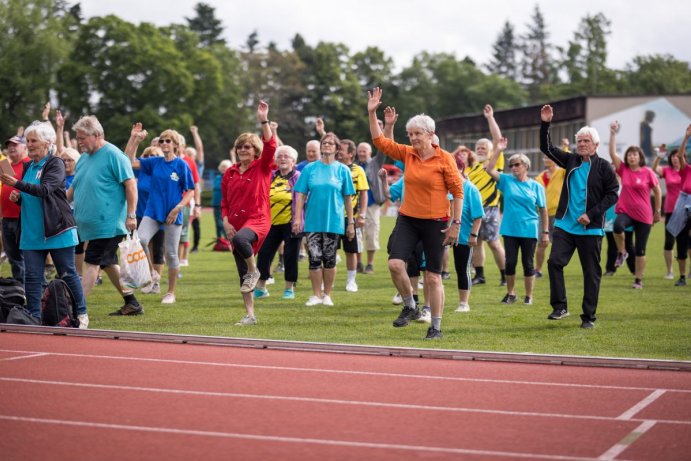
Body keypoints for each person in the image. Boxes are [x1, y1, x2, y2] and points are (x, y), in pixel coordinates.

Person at [367, 88, 463, 340]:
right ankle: (410, 305)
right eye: (410, 134)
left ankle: (436, 327)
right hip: (408, 218)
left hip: (436, 223)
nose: (413, 138)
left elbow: (458, 191)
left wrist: (456, 224)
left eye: (417, 134)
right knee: (395, 264)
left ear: (431, 135)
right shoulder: (408, 154)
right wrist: (372, 112)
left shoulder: (445, 159)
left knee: (432, 276)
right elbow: (380, 142)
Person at [0, 121, 88, 327]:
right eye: (28, 141)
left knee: (67, 273)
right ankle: (34, 317)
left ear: (47, 143)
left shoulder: (55, 163)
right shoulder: (28, 165)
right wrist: (18, 197)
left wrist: (17, 184)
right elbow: (32, 197)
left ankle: (82, 313)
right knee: (31, 277)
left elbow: (46, 190)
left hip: (57, 229)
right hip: (31, 231)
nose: (29, 145)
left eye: (34, 141)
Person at [540, 105, 619, 329]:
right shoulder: (571, 160)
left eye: (586, 141)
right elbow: (545, 147)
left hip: (590, 229)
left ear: (595, 145)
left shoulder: (603, 167)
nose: (582, 144)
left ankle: (588, 317)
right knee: (555, 262)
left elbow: (612, 193)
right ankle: (560, 306)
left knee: (591, 273)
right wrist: (546, 123)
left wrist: (591, 214)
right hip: (565, 225)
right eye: (580, 141)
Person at [67, 115, 142, 316]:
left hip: (109, 223)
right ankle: (132, 302)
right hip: (89, 224)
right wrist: (59, 203)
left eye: (83, 137)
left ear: (97, 135)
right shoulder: (83, 158)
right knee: (108, 262)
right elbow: (74, 187)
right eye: (78, 137)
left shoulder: (114, 155)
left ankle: (76, 308)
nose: (79, 141)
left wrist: (131, 215)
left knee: (92, 262)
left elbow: (131, 185)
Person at [125, 124, 196, 304]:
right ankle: (152, 274)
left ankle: (171, 292)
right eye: (162, 140)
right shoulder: (154, 162)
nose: (164, 143)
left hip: (173, 213)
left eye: (168, 141)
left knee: (171, 254)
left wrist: (178, 207)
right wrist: (134, 139)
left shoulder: (181, 165)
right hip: (153, 211)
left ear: (175, 145)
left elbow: (190, 191)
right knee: (140, 240)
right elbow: (129, 160)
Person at [221, 101, 277, 326]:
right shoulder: (230, 173)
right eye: (240, 147)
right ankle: (250, 315)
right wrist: (225, 221)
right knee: (242, 274)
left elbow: (271, 145)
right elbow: (224, 201)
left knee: (242, 242)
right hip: (235, 222)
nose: (243, 150)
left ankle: (256, 271)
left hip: (258, 220)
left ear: (255, 151)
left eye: (247, 147)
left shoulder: (262, 167)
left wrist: (263, 120)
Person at [292, 132, 355, 306]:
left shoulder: (343, 170)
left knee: (330, 259)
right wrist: (297, 218)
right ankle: (316, 295)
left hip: (333, 221)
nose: (326, 146)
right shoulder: (309, 169)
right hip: (312, 221)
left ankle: (327, 294)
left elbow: (348, 198)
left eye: (330, 144)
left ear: (336, 149)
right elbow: (301, 194)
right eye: (324, 143)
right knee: (314, 258)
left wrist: (350, 223)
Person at [486, 138, 549, 305]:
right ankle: (511, 293)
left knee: (528, 264)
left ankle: (529, 296)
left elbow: (543, 210)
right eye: (511, 165)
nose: (513, 168)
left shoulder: (536, 187)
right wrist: (498, 149)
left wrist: (545, 232)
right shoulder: (506, 181)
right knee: (510, 262)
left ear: (525, 166)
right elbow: (490, 169)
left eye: (517, 164)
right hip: (509, 230)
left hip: (529, 229)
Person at [609, 121, 662, 289]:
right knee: (617, 226)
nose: (631, 156)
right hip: (627, 212)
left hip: (645, 215)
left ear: (640, 157)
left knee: (640, 250)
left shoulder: (648, 172)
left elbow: (658, 191)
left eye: (634, 154)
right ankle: (622, 251)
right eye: (629, 154)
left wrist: (657, 211)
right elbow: (612, 153)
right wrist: (613, 133)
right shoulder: (623, 169)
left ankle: (638, 280)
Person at [254, 145, 302, 300]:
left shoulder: (298, 177)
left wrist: (298, 219)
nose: (282, 158)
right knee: (264, 254)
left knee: (290, 255)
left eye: (286, 156)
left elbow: (302, 198)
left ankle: (289, 288)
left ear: (293, 161)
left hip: (292, 222)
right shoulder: (271, 176)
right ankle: (261, 287)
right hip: (271, 223)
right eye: (279, 156)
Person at [468, 105, 506, 287]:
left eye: (484, 147)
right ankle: (480, 276)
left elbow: (498, 139)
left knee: (494, 243)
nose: (481, 149)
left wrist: (490, 118)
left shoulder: (495, 160)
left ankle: (505, 275)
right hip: (474, 210)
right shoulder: (471, 167)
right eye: (478, 147)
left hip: (490, 209)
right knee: (476, 243)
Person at [451, 156, 484, 312]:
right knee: (434, 269)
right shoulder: (445, 186)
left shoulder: (470, 188)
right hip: (443, 233)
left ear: (460, 169)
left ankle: (464, 303)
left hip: (463, 235)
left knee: (462, 268)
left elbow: (478, 215)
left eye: (452, 168)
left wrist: (474, 235)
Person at [337, 139, 369, 292]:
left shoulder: (358, 171)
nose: (338, 151)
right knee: (329, 249)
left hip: (351, 218)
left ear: (350, 153)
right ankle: (326, 279)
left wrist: (362, 214)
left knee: (351, 250)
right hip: (333, 217)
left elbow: (363, 194)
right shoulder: (332, 168)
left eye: (341, 149)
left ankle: (351, 281)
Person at [651, 145, 686, 282]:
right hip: (671, 210)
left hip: (686, 210)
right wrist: (660, 156)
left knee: (687, 242)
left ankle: (687, 272)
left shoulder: (687, 171)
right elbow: (654, 169)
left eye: (678, 156)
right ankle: (670, 271)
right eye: (673, 156)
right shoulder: (667, 171)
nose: (675, 159)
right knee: (669, 241)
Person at [1, 135, 31, 282]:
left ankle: (30, 288)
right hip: (6, 218)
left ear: (25, 147)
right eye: (9, 145)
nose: (11, 147)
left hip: (22, 218)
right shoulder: (7, 165)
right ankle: (19, 288)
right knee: (13, 257)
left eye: (15, 145)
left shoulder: (29, 164)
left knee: (25, 257)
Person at [665, 124, 691, 286]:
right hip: (682, 208)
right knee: (681, 243)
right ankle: (682, 276)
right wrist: (686, 137)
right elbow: (680, 155)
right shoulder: (686, 170)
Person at [356, 139, 387, 274]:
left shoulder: (376, 163)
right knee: (357, 235)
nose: (362, 153)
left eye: (364, 151)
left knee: (371, 234)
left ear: (370, 152)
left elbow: (383, 148)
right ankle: (358, 263)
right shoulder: (353, 165)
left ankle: (370, 264)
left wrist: (381, 132)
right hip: (355, 205)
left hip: (372, 205)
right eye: (360, 151)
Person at [534, 155, 565, 277]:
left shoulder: (561, 172)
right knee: (542, 243)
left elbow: (567, 163)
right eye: (545, 158)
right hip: (543, 214)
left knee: (559, 244)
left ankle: (557, 268)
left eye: (549, 158)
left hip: (559, 214)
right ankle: (538, 270)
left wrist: (565, 148)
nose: (547, 160)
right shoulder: (539, 177)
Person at [188, 125, 204, 253]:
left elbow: (199, 148)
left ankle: (195, 246)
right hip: (184, 196)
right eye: (188, 154)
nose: (190, 156)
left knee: (196, 224)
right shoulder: (181, 163)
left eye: (192, 154)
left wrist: (195, 133)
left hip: (195, 196)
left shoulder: (197, 165)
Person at [213, 159, 232, 240]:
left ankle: (227, 239)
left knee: (222, 223)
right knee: (217, 223)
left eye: (225, 167)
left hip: (224, 204)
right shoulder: (217, 177)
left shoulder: (230, 177)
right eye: (222, 167)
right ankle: (219, 239)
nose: (223, 168)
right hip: (215, 203)